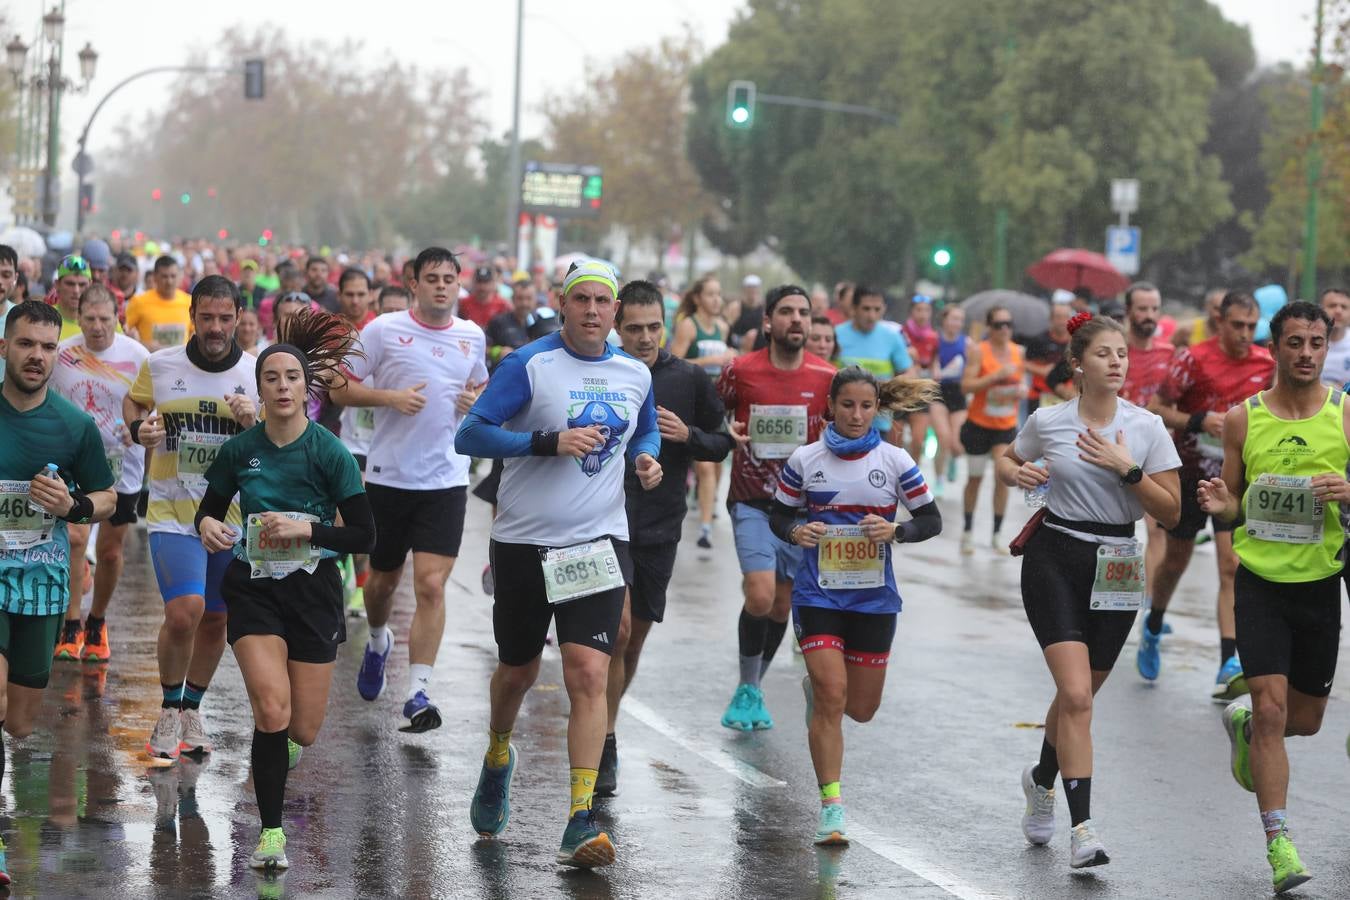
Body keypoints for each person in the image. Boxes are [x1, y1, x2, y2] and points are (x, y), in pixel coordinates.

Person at [455, 260, 661, 867]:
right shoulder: (529, 365)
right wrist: (546, 442)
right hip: (523, 543)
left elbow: (643, 433)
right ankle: (498, 754)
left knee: (588, 673)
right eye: (583, 300)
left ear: (615, 311)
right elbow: (470, 435)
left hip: (597, 543)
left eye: (604, 301)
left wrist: (648, 460)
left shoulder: (633, 373)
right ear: (563, 304)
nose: (594, 310)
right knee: (517, 673)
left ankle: (580, 815)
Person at [996, 312, 1181, 870]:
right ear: (1078, 363)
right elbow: (1008, 457)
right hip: (1055, 555)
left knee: (1079, 696)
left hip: (1119, 564)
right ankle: (1083, 830)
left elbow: (1171, 513)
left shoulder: (1147, 428)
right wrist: (1017, 474)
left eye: (1122, 353)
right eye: (1104, 353)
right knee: (1076, 696)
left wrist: (1128, 470)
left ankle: (1041, 778)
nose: (1117, 362)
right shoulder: (1049, 421)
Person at [196, 308, 374, 873]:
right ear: (259, 387)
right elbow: (208, 509)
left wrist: (306, 530)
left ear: (305, 387)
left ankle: (277, 754)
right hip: (253, 587)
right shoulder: (239, 450)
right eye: (271, 378)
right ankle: (271, 833)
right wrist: (209, 526)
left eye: (291, 378)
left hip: (314, 590)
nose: (281, 386)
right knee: (271, 709)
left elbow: (364, 533)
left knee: (304, 726)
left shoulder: (328, 452)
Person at [1199, 301, 1347, 895]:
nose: (1306, 353)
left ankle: (1244, 730)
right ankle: (1279, 842)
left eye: (1316, 342)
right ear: (1274, 348)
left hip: (1319, 584)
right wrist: (1220, 505)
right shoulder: (1243, 420)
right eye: (1295, 342)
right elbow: (1232, 501)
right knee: (1271, 710)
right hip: (1260, 583)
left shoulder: (1343, 415)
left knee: (1304, 722)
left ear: (1326, 348)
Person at [770, 367, 942, 845]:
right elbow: (780, 513)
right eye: (847, 405)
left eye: (866, 406)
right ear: (831, 405)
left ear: (877, 408)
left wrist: (897, 531)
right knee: (831, 694)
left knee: (860, 709)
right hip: (817, 594)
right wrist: (795, 531)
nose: (856, 415)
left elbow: (931, 519)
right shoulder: (805, 460)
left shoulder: (895, 460)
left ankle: (819, 693)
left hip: (874, 599)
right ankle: (831, 807)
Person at [329, 247, 487, 733]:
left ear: (459, 285)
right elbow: (338, 388)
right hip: (388, 477)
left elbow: (480, 392)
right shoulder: (382, 330)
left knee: (431, 585)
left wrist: (472, 402)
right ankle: (378, 639)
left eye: (450, 279)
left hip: (445, 480)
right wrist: (389, 397)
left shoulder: (472, 336)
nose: (442, 286)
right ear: (413, 284)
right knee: (380, 585)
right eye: (432, 278)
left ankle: (418, 691)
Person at [599, 280, 740, 796]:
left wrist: (689, 437)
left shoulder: (685, 378)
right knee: (613, 633)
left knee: (633, 638)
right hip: (602, 521)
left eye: (653, 327)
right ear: (617, 326)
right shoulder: (602, 373)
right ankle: (605, 739)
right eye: (633, 328)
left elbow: (722, 444)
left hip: (659, 525)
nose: (644, 337)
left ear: (665, 323)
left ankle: (606, 716)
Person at [0, 300, 117, 887]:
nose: (37, 357)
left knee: (18, 722)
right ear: (4, 346)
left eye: (48, 347)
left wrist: (73, 506)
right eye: (26, 344)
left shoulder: (74, 426)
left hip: (39, 584)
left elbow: (107, 497)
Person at [123, 275, 259, 765]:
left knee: (217, 615)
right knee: (185, 611)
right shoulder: (160, 365)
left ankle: (192, 709)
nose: (217, 327)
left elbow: (278, 439)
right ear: (193, 318)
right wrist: (139, 428)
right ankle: (166, 708)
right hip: (172, 511)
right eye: (208, 318)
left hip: (231, 517)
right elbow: (135, 403)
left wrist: (254, 423)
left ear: (240, 317)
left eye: (226, 318)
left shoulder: (255, 372)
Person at [717, 285, 837, 731]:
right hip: (752, 500)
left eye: (803, 313)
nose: (796, 320)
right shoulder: (740, 371)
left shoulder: (827, 377)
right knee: (761, 594)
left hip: (803, 510)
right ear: (767, 321)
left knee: (782, 607)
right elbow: (714, 413)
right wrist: (727, 427)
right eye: (786, 312)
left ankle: (753, 690)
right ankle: (748, 686)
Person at [1145, 292, 1274, 697]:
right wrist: (1199, 420)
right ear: (1219, 321)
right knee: (1176, 561)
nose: (1244, 334)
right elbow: (1157, 406)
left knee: (1230, 565)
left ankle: (1227, 661)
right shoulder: (1193, 358)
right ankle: (1153, 622)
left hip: (1234, 480)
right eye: (1237, 325)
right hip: (1189, 476)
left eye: (1252, 327)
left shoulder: (1265, 365)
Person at [50, 284, 150, 662]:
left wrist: (140, 425)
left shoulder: (138, 356)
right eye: (89, 319)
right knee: (76, 540)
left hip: (123, 465)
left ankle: (97, 621)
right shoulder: (63, 354)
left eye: (104, 319)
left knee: (109, 552)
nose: (96, 327)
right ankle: (71, 623)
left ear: (117, 318)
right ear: (79, 318)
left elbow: (153, 407)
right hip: (76, 465)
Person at [1118, 283, 1176, 616]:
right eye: (1142, 309)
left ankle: (1149, 603)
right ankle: (1110, 597)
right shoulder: (1115, 351)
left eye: (1154, 309)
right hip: (1115, 452)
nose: (1149, 316)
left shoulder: (1169, 354)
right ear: (1129, 312)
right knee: (1115, 527)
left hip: (1155, 453)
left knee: (1156, 530)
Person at [670, 275, 736, 550]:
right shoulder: (689, 325)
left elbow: (725, 365)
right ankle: (706, 528)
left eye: (719, 294)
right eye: (710, 294)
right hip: (692, 402)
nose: (716, 300)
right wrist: (709, 360)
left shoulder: (722, 327)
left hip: (716, 402)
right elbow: (673, 361)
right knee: (705, 466)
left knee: (716, 461)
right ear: (697, 298)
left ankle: (707, 507)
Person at [959, 306, 1026, 555]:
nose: (1005, 329)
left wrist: (1020, 391)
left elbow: (1021, 384)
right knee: (975, 479)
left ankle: (997, 534)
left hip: (1005, 426)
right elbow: (966, 386)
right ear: (990, 328)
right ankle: (967, 531)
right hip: (978, 425)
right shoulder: (979, 351)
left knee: (1002, 476)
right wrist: (995, 376)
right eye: (999, 325)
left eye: (1008, 324)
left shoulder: (1018, 352)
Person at [930, 304, 969, 496]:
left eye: (960, 320)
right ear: (944, 320)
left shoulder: (967, 343)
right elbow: (928, 361)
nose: (957, 323)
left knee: (957, 443)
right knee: (943, 438)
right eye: (953, 318)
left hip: (958, 392)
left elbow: (973, 367)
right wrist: (933, 369)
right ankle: (938, 479)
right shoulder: (935, 340)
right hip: (938, 392)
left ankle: (953, 459)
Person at [126, 256, 193, 352]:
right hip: (150, 363)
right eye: (164, 276)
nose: (169, 281)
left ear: (179, 276)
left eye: (173, 276)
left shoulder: (189, 302)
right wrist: (141, 344)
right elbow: (123, 334)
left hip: (180, 365)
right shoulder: (139, 302)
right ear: (155, 277)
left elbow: (195, 334)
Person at [900, 295, 938, 463]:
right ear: (911, 312)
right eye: (919, 310)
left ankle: (912, 472)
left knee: (918, 440)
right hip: (900, 391)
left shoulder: (934, 337)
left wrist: (934, 370)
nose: (923, 314)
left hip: (921, 391)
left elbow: (934, 362)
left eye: (927, 310)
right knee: (897, 441)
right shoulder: (900, 333)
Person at [1024, 301, 1073, 414]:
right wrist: (1043, 370)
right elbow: (1023, 364)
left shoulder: (1075, 342)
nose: (1062, 321)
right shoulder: (1039, 340)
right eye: (1058, 317)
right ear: (1051, 319)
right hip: (1040, 395)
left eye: (1066, 317)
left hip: (1067, 397)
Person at [49, 255, 93, 341]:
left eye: (82, 284)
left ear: (90, 286)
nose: (76, 290)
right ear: (57, 285)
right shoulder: (44, 319)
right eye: (70, 284)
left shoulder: (105, 319)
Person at [1317, 287, 1350, 387]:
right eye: (1332, 306)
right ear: (1320, 310)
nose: (1338, 311)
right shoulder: (1306, 342)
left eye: (1344, 307)